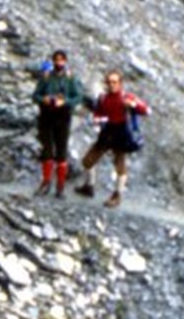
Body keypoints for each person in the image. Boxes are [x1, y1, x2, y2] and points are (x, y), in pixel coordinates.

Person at [74, 71, 151, 209]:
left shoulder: (127, 97)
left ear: (120, 83)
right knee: (88, 160)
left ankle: (117, 195)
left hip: (122, 133)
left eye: (114, 82)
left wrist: (133, 105)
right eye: (109, 82)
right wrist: (98, 120)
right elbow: (98, 112)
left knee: (119, 164)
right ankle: (89, 186)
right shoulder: (103, 98)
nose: (111, 85)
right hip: (107, 131)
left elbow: (146, 110)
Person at [30, 50, 84, 197]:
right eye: (56, 60)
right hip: (46, 116)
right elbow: (35, 95)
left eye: (61, 60)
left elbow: (78, 97)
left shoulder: (71, 78)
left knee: (61, 152)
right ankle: (46, 182)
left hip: (63, 117)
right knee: (46, 150)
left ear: (65, 61)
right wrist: (44, 99)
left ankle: (60, 187)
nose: (58, 63)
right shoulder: (46, 77)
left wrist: (65, 101)